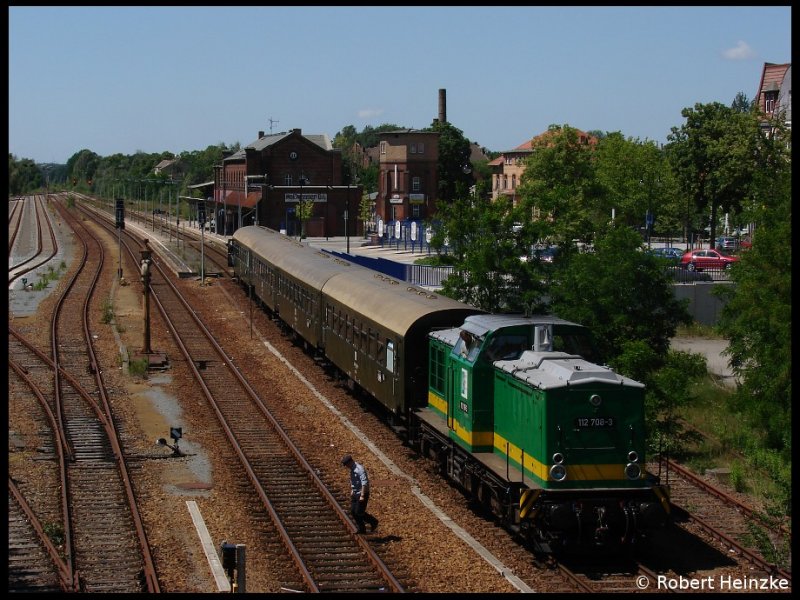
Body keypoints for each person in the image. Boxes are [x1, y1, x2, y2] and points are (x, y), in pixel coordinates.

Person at [341, 454, 379, 534]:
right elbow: (354, 480)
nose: (346, 466)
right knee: (353, 512)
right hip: (355, 492)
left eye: (346, 464)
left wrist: (362, 495)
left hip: (362, 493)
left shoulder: (359, 469)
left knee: (359, 512)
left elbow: (364, 483)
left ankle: (373, 521)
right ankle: (362, 529)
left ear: (350, 462)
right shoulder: (352, 468)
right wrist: (352, 490)